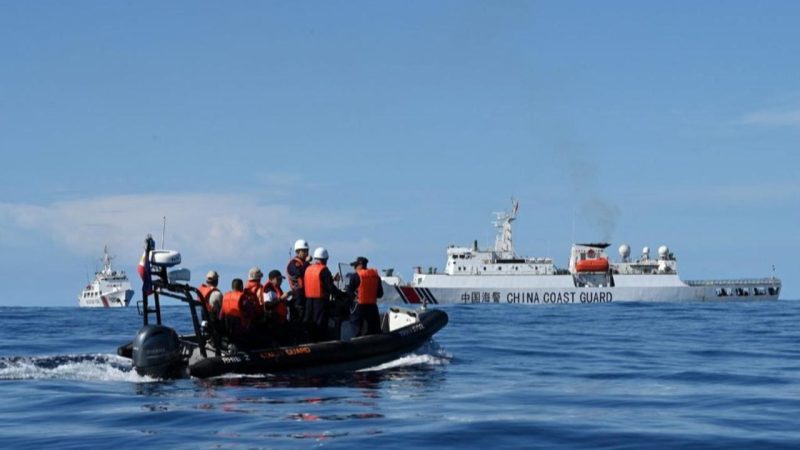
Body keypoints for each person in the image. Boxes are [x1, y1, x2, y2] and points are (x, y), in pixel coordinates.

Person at [303, 247, 345, 343]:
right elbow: (330, 288)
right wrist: (342, 295)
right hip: (320, 301)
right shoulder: (324, 270)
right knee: (320, 323)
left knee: (309, 322)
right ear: (325, 259)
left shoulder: (308, 269)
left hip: (308, 301)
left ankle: (308, 341)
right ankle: (321, 343)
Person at [346, 256, 384, 336]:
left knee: (355, 328)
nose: (354, 268)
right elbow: (380, 294)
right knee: (375, 329)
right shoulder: (376, 276)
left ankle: (355, 342)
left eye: (355, 266)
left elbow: (349, 293)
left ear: (359, 265)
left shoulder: (355, 276)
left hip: (359, 307)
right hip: (372, 307)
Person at [220, 278, 259, 347]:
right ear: (241, 286)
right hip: (241, 328)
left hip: (228, 328)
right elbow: (250, 312)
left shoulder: (225, 296)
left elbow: (221, 315)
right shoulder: (242, 297)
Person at [263, 269, 291, 344]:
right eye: (278, 279)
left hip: (281, 319)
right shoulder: (268, 290)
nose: (280, 281)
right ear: (271, 280)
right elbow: (267, 306)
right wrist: (281, 298)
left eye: (281, 279)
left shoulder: (277, 288)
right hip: (274, 320)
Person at [287, 239, 310, 322]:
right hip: (298, 295)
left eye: (307, 251)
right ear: (298, 252)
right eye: (304, 251)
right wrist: (307, 263)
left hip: (307, 295)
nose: (306, 253)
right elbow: (299, 272)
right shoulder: (293, 264)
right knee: (299, 318)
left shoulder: (306, 264)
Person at [197, 270, 224, 340]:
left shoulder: (200, 292)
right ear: (216, 281)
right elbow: (223, 310)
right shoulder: (217, 294)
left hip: (204, 322)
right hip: (214, 324)